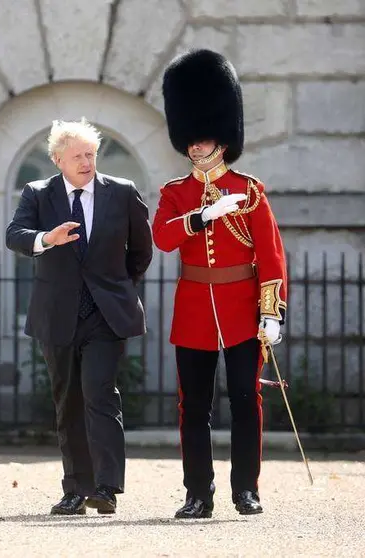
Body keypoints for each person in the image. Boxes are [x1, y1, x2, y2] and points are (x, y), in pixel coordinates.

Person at [153, 48, 288, 518]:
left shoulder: (249, 191)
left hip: (240, 309)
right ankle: (197, 494)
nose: (195, 146)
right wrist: (201, 215)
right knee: (194, 409)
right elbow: (163, 238)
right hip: (194, 310)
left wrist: (271, 312)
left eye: (203, 137)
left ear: (223, 139)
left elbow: (270, 255)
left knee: (246, 404)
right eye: (190, 138)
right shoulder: (175, 193)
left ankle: (245, 490)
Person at [5, 118, 153, 515]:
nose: (86, 162)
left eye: (91, 154)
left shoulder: (121, 193)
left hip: (106, 315)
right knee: (67, 400)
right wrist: (46, 239)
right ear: (57, 160)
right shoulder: (38, 193)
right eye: (77, 156)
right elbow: (14, 235)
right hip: (57, 315)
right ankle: (75, 489)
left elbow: (141, 250)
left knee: (100, 394)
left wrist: (119, 287)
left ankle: (105, 488)